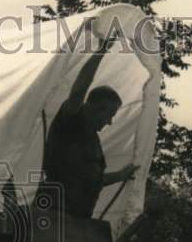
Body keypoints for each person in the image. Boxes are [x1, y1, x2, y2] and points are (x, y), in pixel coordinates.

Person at [42, 20, 138, 219]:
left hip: (78, 219)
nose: (110, 122)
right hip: (53, 216)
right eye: (109, 115)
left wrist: (120, 176)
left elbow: (92, 180)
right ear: (93, 106)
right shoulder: (71, 122)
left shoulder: (92, 139)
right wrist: (102, 50)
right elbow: (79, 89)